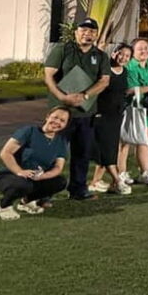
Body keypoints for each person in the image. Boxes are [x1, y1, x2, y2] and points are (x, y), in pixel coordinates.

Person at [43, 17, 110, 201]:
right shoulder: (63, 49)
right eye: (83, 30)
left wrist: (85, 95)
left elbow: (104, 81)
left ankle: (78, 190)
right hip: (60, 112)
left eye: (91, 31)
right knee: (53, 152)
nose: (87, 34)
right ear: (76, 32)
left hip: (85, 113)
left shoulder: (101, 56)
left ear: (96, 35)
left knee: (82, 153)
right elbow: (48, 76)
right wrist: (62, 97)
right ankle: (44, 192)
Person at [0, 107, 70, 221]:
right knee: (23, 184)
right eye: (55, 117)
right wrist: (19, 171)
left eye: (62, 120)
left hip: (35, 178)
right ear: (47, 117)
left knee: (60, 182)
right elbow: (5, 153)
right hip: (10, 175)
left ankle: (26, 202)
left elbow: (58, 167)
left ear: (65, 125)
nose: (57, 122)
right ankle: (4, 206)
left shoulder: (61, 141)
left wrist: (43, 176)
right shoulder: (29, 131)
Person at [89, 43, 133, 196]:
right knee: (107, 149)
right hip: (102, 115)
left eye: (127, 56)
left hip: (117, 116)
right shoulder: (105, 70)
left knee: (110, 148)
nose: (123, 58)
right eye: (121, 54)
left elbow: (124, 92)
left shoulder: (125, 72)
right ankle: (117, 181)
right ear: (115, 53)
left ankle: (95, 181)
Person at [120, 37, 148, 186]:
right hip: (134, 107)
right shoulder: (130, 67)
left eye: (146, 48)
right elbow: (130, 89)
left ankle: (144, 172)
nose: (144, 51)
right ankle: (122, 172)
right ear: (133, 52)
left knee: (144, 141)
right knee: (126, 141)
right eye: (140, 49)